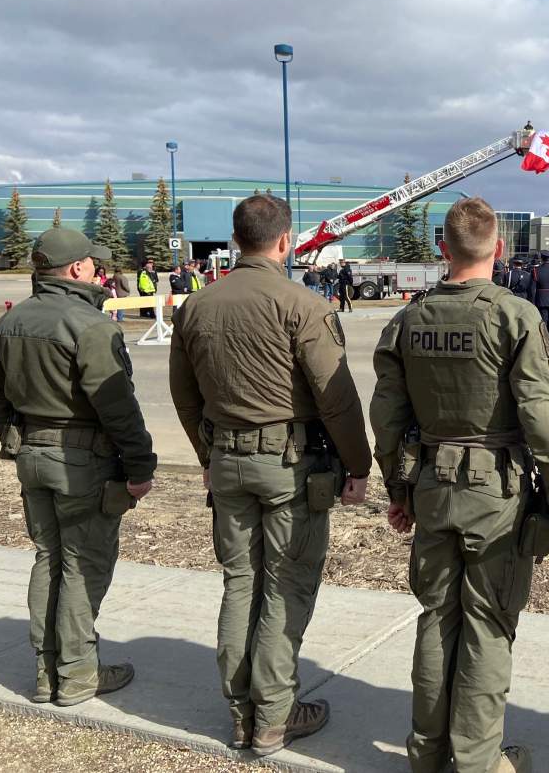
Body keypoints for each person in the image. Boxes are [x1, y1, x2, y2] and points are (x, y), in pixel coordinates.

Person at [371, 197, 549, 773]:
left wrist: (398, 490)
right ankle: (478, 761)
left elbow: (386, 416)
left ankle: (427, 754)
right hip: (496, 494)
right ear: (500, 249)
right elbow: (540, 418)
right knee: (488, 624)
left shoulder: (409, 319)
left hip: (432, 485)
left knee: (437, 616)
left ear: (443, 249)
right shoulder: (515, 316)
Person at [169, 195, 372, 756]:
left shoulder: (196, 305)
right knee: (286, 584)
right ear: (285, 241)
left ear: (237, 240)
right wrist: (359, 465)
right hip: (288, 466)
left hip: (227, 461)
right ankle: (275, 717)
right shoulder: (302, 304)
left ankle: (242, 714)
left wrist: (207, 455)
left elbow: (184, 396)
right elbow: (336, 399)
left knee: (240, 584)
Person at [0, 229, 156, 707]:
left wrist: (19, 443)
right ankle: (78, 674)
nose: (98, 270)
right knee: (83, 565)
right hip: (83, 463)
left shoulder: (9, 322)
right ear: (78, 268)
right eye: (93, 263)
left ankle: (47, 673)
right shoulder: (91, 325)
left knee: (48, 559)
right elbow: (117, 407)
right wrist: (140, 466)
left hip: (33, 457)